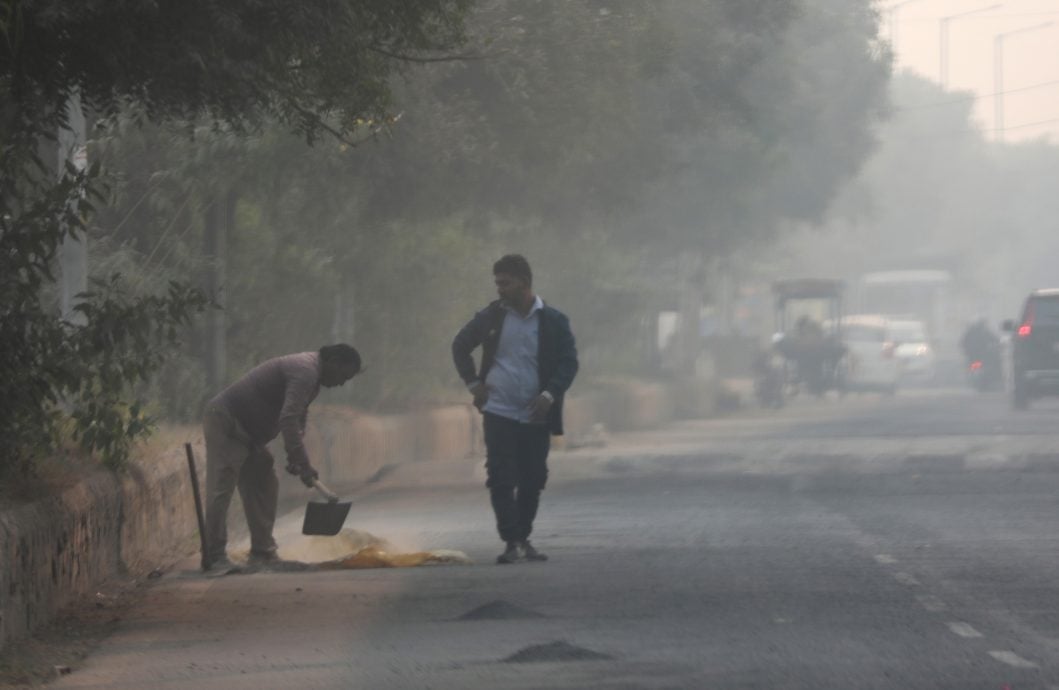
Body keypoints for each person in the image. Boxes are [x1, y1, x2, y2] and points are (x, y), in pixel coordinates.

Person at [452, 255, 578, 564]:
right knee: (500, 475)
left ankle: (524, 537)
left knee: (533, 477)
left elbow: (569, 362)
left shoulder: (553, 321)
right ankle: (510, 540)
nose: (499, 289)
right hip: (498, 410)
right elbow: (459, 345)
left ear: (523, 282)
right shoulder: (491, 318)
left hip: (535, 412)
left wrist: (549, 395)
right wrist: (473, 384)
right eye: (497, 283)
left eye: (505, 283)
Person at [202, 344, 361, 572]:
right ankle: (215, 556)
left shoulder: (312, 378)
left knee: (264, 482)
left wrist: (296, 457)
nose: (342, 383)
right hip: (228, 421)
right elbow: (288, 418)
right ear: (334, 361)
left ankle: (262, 552)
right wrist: (303, 463)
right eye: (344, 376)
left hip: (251, 434)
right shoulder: (305, 371)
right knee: (221, 488)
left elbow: (299, 415)